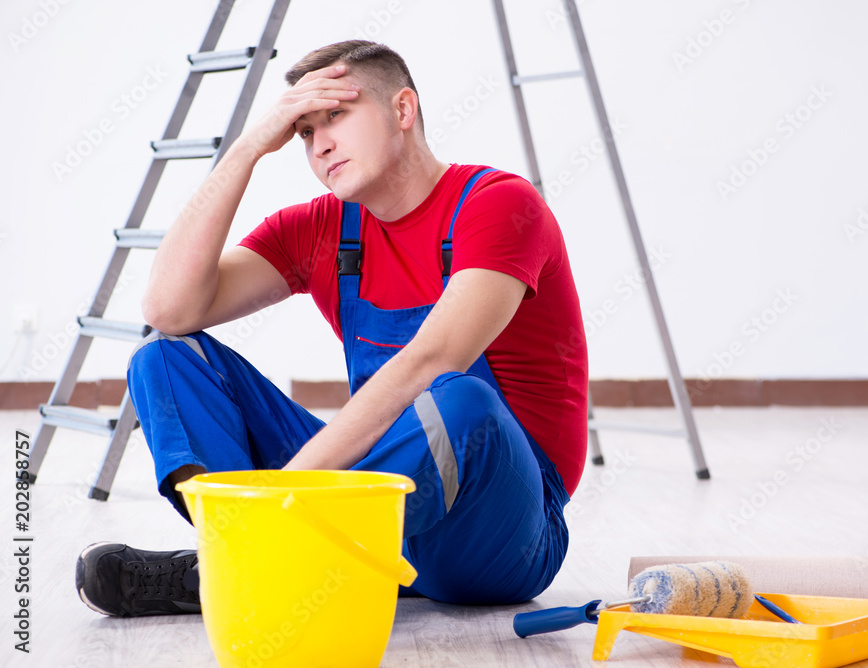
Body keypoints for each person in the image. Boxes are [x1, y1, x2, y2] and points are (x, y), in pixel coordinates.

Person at [76, 40, 588, 617]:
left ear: (402, 110)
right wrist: (248, 148)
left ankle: (251, 557)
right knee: (166, 357)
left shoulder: (494, 204)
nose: (320, 144)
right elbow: (169, 308)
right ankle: (252, 555)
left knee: (461, 400)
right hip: (375, 507)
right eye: (303, 131)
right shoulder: (323, 229)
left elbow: (433, 359)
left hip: (500, 526)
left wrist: (281, 493)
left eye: (337, 116)